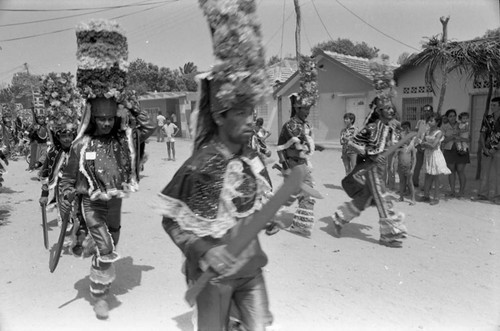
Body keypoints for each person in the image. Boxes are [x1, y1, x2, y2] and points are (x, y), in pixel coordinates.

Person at [59, 19, 155, 320]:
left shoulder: (123, 138)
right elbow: (66, 177)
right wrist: (65, 196)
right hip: (90, 205)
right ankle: (99, 294)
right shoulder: (80, 144)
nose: (104, 123)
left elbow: (149, 127)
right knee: (103, 243)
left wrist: (128, 101)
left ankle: (97, 268)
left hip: (114, 202)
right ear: (92, 117)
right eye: (99, 118)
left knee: (110, 241)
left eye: (108, 118)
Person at [332, 101, 408, 248]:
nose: (391, 111)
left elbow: (399, 144)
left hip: (382, 168)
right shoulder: (371, 128)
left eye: (392, 108)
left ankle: (339, 218)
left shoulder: (393, 129)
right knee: (382, 199)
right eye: (387, 108)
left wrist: (413, 133)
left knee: (365, 199)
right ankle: (388, 235)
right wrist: (371, 155)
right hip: (371, 168)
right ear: (379, 111)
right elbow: (352, 143)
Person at [277, 93, 317, 237]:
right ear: (298, 108)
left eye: (309, 109)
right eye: (305, 109)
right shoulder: (289, 126)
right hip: (292, 165)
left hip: (303, 165)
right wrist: (285, 166)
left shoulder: (305, 125)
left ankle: (301, 225)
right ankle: (272, 219)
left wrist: (316, 146)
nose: (307, 112)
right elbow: (280, 147)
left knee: (308, 193)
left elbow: (306, 144)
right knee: (287, 196)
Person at [473, 97, 500, 203]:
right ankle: (483, 194)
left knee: (498, 174)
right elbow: (482, 133)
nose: (492, 107)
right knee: (485, 173)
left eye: (494, 105)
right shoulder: (487, 118)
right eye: (491, 105)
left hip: (498, 150)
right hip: (487, 150)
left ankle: (498, 196)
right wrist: (484, 148)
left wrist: (496, 148)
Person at [420, 113, 451, 205]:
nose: (429, 122)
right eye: (428, 120)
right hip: (428, 155)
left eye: (431, 120)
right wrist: (425, 144)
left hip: (435, 156)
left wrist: (425, 144)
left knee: (435, 177)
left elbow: (433, 146)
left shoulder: (439, 132)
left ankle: (436, 197)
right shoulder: (427, 131)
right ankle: (426, 195)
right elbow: (422, 143)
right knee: (427, 175)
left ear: (437, 122)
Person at [441, 109, 470, 198]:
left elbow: (469, 139)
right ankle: (452, 191)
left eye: (454, 115)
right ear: (447, 117)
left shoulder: (462, 125)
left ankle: (461, 192)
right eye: (450, 116)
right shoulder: (444, 127)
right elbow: (442, 140)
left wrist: (459, 138)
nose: (453, 118)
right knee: (451, 171)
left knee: (460, 171)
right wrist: (452, 137)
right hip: (449, 151)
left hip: (462, 150)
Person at [392, 121, 416, 205]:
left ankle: (413, 199)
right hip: (400, 167)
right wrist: (392, 166)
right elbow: (394, 156)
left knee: (410, 183)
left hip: (408, 167)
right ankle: (401, 197)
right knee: (401, 182)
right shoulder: (399, 147)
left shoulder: (411, 148)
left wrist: (413, 169)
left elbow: (414, 158)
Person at [413, 104, 433, 188]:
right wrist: (417, 145)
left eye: (428, 110)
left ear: (431, 111)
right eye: (425, 110)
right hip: (419, 147)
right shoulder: (420, 122)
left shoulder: (433, 122)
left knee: (428, 167)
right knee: (417, 165)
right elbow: (416, 134)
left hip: (429, 147)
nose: (426, 112)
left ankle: (427, 186)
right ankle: (414, 183)